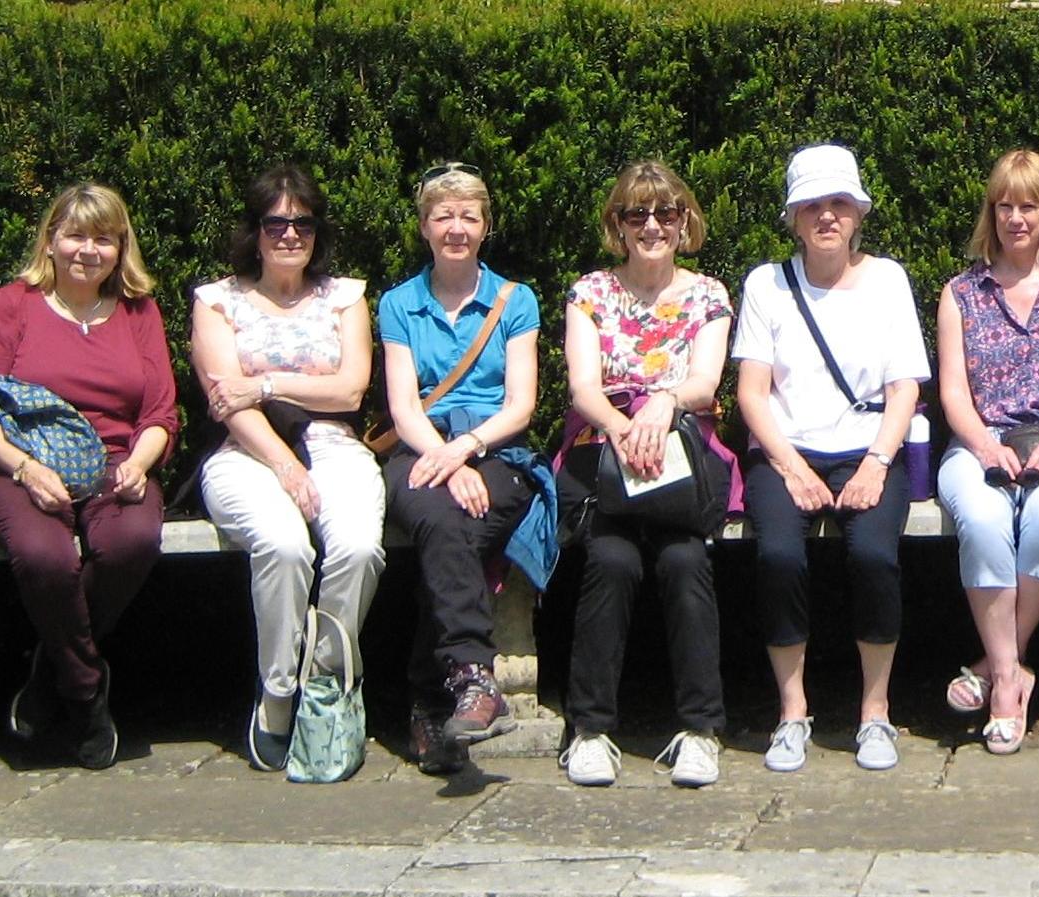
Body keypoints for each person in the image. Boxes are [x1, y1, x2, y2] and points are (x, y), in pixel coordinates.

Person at [0, 182, 178, 772]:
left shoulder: (138, 311)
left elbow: (161, 411)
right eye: (76, 235)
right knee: (44, 556)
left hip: (115, 462)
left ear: (120, 247)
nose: (89, 250)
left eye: (104, 238)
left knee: (131, 541)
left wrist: (139, 463)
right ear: (52, 240)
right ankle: (86, 693)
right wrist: (26, 468)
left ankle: (49, 667)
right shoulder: (11, 305)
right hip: (17, 463)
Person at [734, 144, 930, 773]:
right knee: (779, 556)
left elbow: (905, 388)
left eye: (838, 203)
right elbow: (751, 392)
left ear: (858, 213)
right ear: (793, 218)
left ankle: (875, 713)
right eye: (812, 205)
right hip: (785, 450)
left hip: (867, 448)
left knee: (873, 554)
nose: (826, 216)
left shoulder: (889, 279)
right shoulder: (766, 284)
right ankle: (792, 713)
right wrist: (790, 467)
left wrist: (877, 463)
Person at [189, 165, 381, 773]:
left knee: (355, 547)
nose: (290, 235)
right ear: (256, 230)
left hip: (333, 445)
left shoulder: (346, 297)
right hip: (247, 452)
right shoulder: (217, 302)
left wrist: (264, 382)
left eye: (302, 223)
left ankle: (324, 681)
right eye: (277, 223)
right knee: (284, 545)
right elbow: (226, 402)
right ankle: (276, 691)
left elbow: (350, 391)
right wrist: (282, 463)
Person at [557, 160, 736, 787]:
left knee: (685, 563)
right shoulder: (591, 293)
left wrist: (663, 404)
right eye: (638, 214)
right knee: (610, 561)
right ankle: (589, 730)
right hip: (609, 451)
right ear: (619, 225)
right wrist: (622, 427)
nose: (653, 225)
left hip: (679, 457)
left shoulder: (708, 294)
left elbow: (705, 380)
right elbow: (583, 386)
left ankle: (700, 730)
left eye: (667, 213)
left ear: (685, 221)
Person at [933, 149, 1039, 756]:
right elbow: (952, 391)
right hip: (981, 442)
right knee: (980, 521)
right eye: (1004, 205)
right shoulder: (960, 294)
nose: (1016, 217)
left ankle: (992, 665)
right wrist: (983, 445)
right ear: (991, 212)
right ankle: (1011, 681)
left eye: (1028, 204)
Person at [376, 162, 539, 776]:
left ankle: (427, 697)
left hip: (495, 448)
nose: (456, 227)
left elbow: (521, 404)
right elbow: (402, 405)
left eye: (468, 215)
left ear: (485, 226)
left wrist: (466, 449)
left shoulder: (514, 300)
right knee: (444, 523)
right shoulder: (399, 304)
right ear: (424, 226)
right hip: (420, 447)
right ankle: (474, 676)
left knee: (452, 533)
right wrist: (441, 457)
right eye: (443, 215)